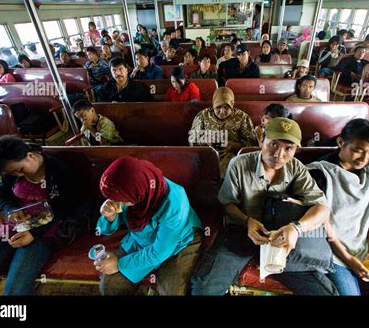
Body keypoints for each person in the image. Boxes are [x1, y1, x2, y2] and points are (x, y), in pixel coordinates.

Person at [191, 117, 338, 296]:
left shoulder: (296, 169)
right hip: (241, 232)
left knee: (323, 292)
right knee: (204, 289)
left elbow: (322, 208)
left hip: (281, 235)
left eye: (288, 148)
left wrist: (296, 228)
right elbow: (227, 204)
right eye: (273, 144)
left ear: (295, 150)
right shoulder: (239, 164)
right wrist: (247, 221)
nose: (279, 155)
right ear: (262, 139)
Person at [0, 136, 79, 295]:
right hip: (15, 226)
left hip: (47, 231)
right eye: (12, 172)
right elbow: (2, 194)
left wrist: (33, 233)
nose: (18, 175)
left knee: (15, 291)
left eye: (20, 170)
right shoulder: (12, 172)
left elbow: (65, 208)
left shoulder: (58, 170)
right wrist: (11, 210)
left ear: (30, 155)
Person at [307, 119, 369, 296]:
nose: (365, 159)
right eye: (358, 151)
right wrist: (349, 260)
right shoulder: (320, 173)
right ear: (341, 142)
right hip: (331, 249)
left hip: (365, 246)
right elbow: (320, 226)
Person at [96, 157, 202, 295]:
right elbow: (105, 229)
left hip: (180, 243)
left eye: (123, 201)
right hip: (142, 238)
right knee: (111, 287)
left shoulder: (175, 205)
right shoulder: (132, 189)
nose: (118, 204)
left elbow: (159, 252)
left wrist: (120, 264)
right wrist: (110, 217)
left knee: (172, 292)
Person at [189, 87, 255, 177]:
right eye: (218, 107)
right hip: (207, 156)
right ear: (213, 105)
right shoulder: (203, 116)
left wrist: (232, 145)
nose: (222, 111)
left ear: (232, 105)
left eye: (226, 107)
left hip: (233, 159)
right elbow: (191, 140)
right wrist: (203, 140)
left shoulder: (242, 117)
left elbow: (252, 144)